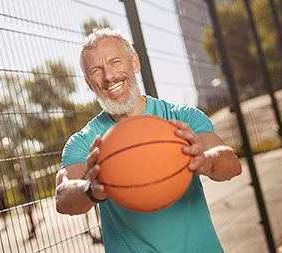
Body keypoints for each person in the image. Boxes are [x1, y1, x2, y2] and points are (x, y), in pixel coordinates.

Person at [56, 28, 242, 252]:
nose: (108, 76)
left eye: (115, 62)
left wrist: (205, 161)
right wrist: (91, 189)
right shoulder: (85, 141)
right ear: (88, 83)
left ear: (134, 62)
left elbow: (232, 164)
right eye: (96, 70)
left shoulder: (181, 117)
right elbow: (63, 197)